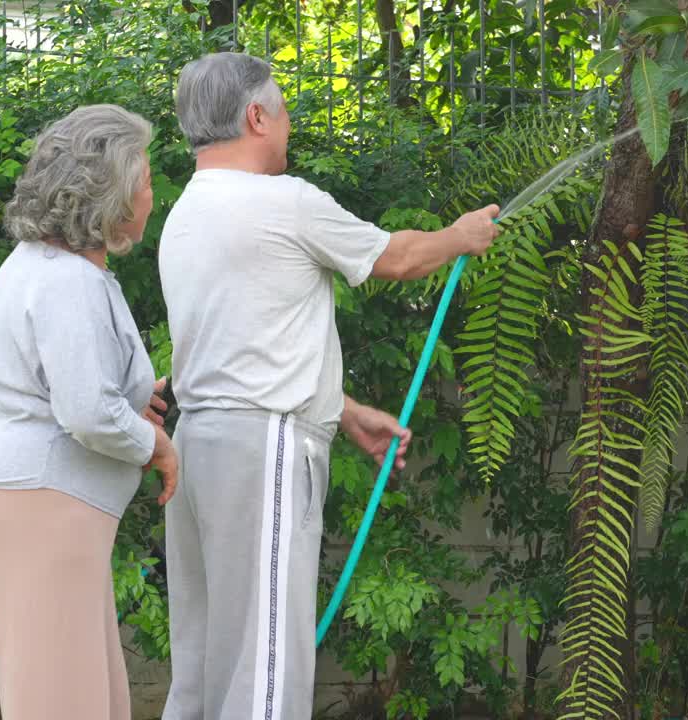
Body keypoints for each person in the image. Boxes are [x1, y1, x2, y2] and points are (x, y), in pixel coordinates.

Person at [157, 52, 499, 720]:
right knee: (263, 667)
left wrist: (341, 411)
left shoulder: (184, 216)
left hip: (197, 446)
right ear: (257, 116)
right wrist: (460, 236)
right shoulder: (284, 203)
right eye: (281, 108)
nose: (288, 123)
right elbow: (395, 258)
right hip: (265, 452)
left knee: (203, 664)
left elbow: (243, 355)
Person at [0, 104, 180, 720]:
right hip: (47, 511)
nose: (150, 197)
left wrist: (138, 401)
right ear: (108, 192)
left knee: (92, 699)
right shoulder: (67, 281)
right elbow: (86, 413)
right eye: (143, 182)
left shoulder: (48, 267)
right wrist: (157, 448)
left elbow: (73, 389)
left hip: (47, 508)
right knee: (65, 704)